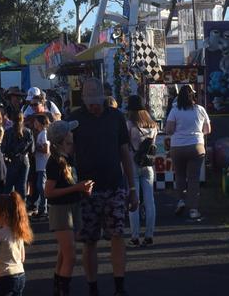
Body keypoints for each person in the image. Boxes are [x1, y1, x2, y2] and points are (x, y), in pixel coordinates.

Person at [68, 77, 135, 296]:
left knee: (117, 235)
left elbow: (125, 153)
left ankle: (119, 285)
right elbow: (66, 154)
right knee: (89, 240)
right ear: (84, 100)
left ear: (104, 98)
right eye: (90, 102)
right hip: (86, 190)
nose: (94, 106)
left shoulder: (115, 117)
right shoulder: (75, 119)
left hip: (114, 185)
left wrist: (132, 188)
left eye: (97, 101)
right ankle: (92, 286)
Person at [45, 119, 91, 296]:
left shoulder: (67, 158)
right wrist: (77, 188)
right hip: (61, 211)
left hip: (71, 207)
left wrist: (82, 190)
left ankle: (58, 286)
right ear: (64, 138)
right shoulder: (55, 162)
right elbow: (48, 192)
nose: (73, 134)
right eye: (70, 132)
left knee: (64, 254)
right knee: (70, 257)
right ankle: (63, 289)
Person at [165, 84, 211, 222]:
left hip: (177, 147)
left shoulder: (174, 110)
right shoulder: (200, 109)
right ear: (193, 96)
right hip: (196, 146)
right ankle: (194, 209)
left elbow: (169, 130)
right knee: (193, 179)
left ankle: (180, 201)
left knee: (179, 176)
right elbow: (208, 129)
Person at [124, 95, 158, 246]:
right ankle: (149, 235)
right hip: (148, 164)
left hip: (132, 163)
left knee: (134, 200)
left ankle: (135, 236)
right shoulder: (153, 125)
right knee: (150, 200)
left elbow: (125, 144)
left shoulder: (129, 124)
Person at [0, 192, 33, 296]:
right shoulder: (18, 231)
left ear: (3, 215)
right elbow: (22, 258)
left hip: (5, 277)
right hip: (20, 275)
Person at [1, 109, 34, 198]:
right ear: (23, 119)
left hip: (12, 159)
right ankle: (21, 207)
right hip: (24, 160)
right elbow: (32, 149)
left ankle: (5, 206)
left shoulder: (8, 132)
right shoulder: (28, 132)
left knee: (9, 185)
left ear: (12, 120)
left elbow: (3, 148)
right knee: (22, 185)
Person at [30, 113, 50, 217]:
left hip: (43, 164)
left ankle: (44, 209)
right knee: (39, 186)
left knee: (41, 186)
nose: (34, 123)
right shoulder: (41, 133)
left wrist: (34, 148)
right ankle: (42, 207)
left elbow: (46, 149)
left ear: (41, 123)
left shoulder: (44, 134)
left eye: (36, 122)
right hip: (40, 164)